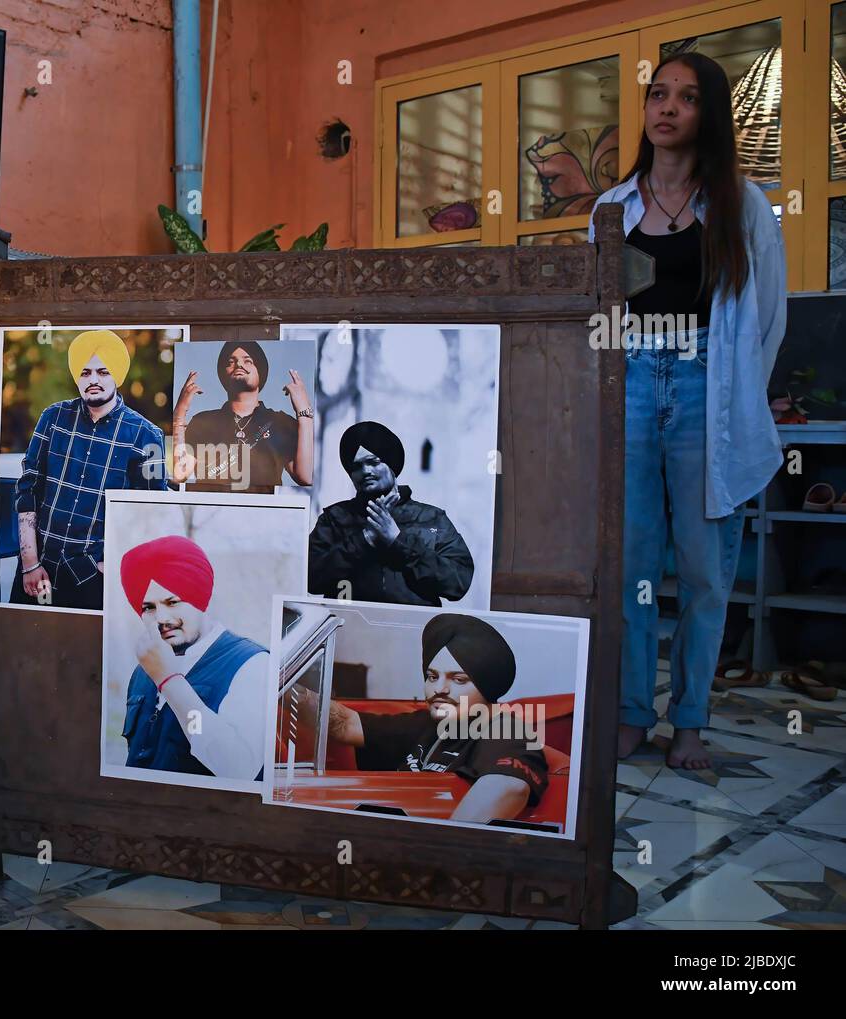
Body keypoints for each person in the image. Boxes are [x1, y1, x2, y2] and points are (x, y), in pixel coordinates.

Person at [589, 52, 787, 769]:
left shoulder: (743, 204)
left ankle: (693, 718)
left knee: (705, 568)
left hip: (709, 381)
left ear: (711, 114)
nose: (667, 108)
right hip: (632, 381)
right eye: (658, 95)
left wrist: (735, 396)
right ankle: (634, 712)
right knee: (632, 563)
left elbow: (766, 319)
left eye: (687, 97)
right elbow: (596, 315)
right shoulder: (611, 209)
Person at [324, 613, 548, 825]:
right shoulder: (430, 722)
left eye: (459, 680)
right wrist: (290, 680)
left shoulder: (508, 731)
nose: (438, 689)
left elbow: (509, 787)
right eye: (432, 676)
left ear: (486, 686)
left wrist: (436, 851)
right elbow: (345, 724)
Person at [12, 329, 169, 611]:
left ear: (116, 376)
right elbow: (28, 488)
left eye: (103, 371)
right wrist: (29, 563)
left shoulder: (146, 435)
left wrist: (115, 562)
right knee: (25, 649)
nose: (93, 380)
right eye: (85, 373)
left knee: (87, 653)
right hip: (38, 568)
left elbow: (151, 512)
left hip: (95, 576)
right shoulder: (53, 417)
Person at [117, 535, 267, 780]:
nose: (161, 618)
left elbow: (240, 769)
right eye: (149, 607)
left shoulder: (251, 663)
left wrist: (169, 681)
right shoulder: (145, 668)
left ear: (199, 596)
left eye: (173, 602)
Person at [308, 421, 474, 605]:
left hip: (415, 630)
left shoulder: (431, 518)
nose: (366, 471)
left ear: (392, 463)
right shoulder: (334, 518)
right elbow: (310, 578)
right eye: (356, 467)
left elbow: (458, 583)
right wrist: (366, 538)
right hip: (348, 627)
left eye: (374, 462)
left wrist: (397, 540)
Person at [172, 340, 314, 493]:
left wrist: (304, 411)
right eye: (230, 362)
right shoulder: (203, 421)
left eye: (248, 360)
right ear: (223, 375)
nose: (239, 364)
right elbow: (180, 474)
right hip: (209, 511)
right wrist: (180, 412)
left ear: (261, 372)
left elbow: (305, 477)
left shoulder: (280, 422)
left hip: (265, 512)